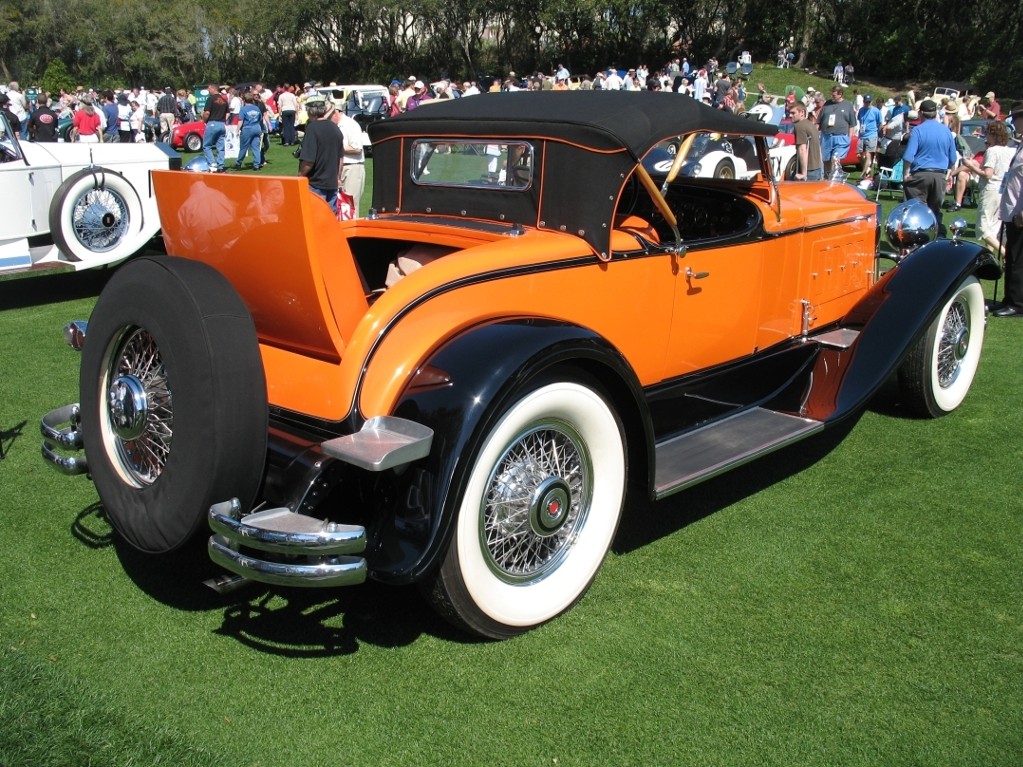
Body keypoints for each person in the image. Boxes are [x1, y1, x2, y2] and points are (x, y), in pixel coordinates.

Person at [902, 99, 957, 232]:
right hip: (939, 176)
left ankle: (916, 241)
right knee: (934, 212)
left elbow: (908, 156)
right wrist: (949, 176)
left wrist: (905, 174)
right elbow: (953, 158)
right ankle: (936, 240)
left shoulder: (918, 131)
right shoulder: (946, 132)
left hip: (920, 175)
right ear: (936, 113)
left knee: (916, 212)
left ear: (921, 113)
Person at [961, 120, 1015, 256]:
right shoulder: (1011, 151)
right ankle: (990, 258)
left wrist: (971, 166)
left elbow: (988, 174)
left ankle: (1005, 254)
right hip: (1003, 190)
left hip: (991, 190)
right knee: (993, 228)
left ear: (993, 134)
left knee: (983, 228)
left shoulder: (992, 151)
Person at [992, 103, 1023, 317]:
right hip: (1012, 210)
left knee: (1018, 258)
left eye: (1018, 118)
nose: (1014, 122)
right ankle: (1009, 297)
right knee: (1011, 255)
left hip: (1020, 213)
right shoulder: (1020, 145)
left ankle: (1018, 303)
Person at [298, 97, 343, 212]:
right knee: (330, 220)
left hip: (316, 183)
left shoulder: (312, 128)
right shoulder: (335, 128)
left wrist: (300, 175)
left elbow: (309, 160)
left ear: (310, 111)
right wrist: (337, 178)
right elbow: (340, 159)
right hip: (332, 183)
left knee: (315, 220)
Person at [335, 102, 366, 216]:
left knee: (350, 204)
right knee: (339, 205)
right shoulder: (334, 125)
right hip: (338, 167)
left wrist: (336, 148)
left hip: (352, 167)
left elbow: (357, 148)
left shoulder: (351, 125)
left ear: (336, 112)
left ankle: (352, 232)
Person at [819, 85, 856, 176]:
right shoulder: (827, 104)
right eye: (832, 95)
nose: (832, 97)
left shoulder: (848, 105)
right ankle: (827, 177)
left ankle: (834, 177)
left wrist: (849, 138)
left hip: (840, 137)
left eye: (834, 95)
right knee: (826, 160)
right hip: (826, 136)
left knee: (835, 159)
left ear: (840, 94)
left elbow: (852, 124)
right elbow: (819, 120)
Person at [791, 102, 823, 180]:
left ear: (802, 112)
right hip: (817, 168)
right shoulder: (811, 124)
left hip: (809, 171)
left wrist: (803, 173)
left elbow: (802, 149)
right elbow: (818, 146)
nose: (790, 115)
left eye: (793, 113)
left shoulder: (799, 126)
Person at [201, 84, 229, 172]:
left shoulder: (211, 99)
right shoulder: (224, 100)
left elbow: (207, 113)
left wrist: (204, 120)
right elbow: (228, 113)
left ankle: (212, 164)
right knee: (220, 147)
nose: (208, 91)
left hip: (212, 123)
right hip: (221, 124)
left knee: (207, 145)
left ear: (213, 89)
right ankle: (221, 166)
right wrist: (224, 120)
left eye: (209, 89)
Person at [232, 91, 264, 170]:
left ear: (243, 100)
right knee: (256, 147)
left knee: (243, 147)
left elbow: (240, 121)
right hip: (256, 127)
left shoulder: (243, 109)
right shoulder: (256, 108)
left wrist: (237, 130)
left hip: (247, 128)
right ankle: (257, 164)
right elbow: (261, 118)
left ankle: (238, 163)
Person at [857, 94, 882, 178]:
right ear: (863, 102)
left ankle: (863, 174)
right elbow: (860, 121)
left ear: (871, 101)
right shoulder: (861, 110)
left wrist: (877, 133)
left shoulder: (876, 111)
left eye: (869, 102)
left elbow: (880, 123)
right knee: (859, 155)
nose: (867, 103)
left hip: (872, 135)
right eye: (866, 102)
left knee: (868, 154)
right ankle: (867, 169)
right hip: (862, 135)